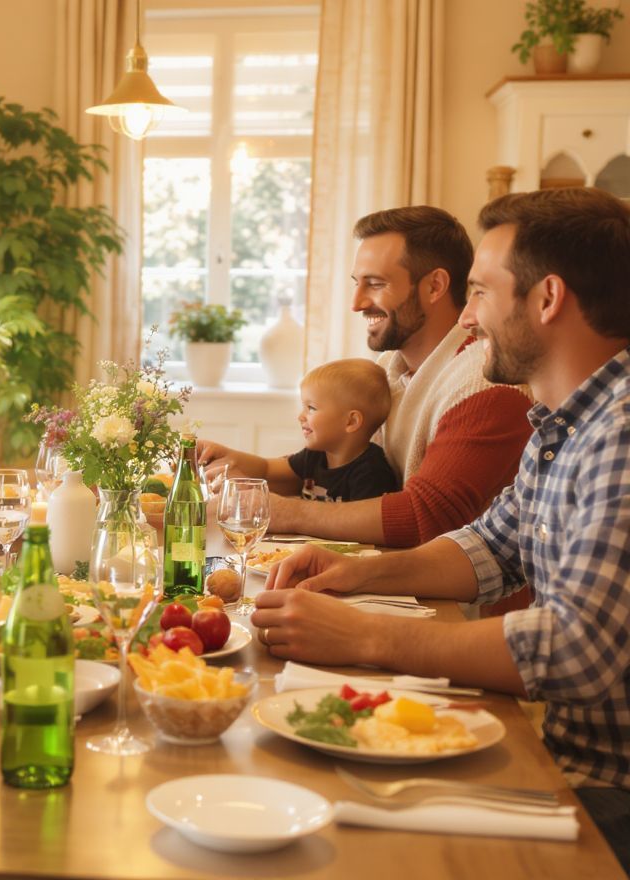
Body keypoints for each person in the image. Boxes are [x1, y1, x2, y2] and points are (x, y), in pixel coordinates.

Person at [252, 188, 630, 871]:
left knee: (329, 837)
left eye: (480, 292)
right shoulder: (566, 423)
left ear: (546, 299)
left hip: (604, 791)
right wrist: (357, 571)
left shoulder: (620, 435)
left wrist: (367, 634)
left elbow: (578, 649)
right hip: (560, 756)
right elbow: (490, 544)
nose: (468, 316)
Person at [201, 206, 533, 547]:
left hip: (452, 600)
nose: (357, 303)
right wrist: (247, 469)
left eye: (375, 284)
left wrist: (286, 512)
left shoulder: (486, 384)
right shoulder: (392, 365)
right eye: (356, 284)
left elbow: (424, 517)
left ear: (435, 286)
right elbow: (337, 477)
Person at [206, 358, 397, 503]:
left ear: (351, 421)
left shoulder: (371, 472)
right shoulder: (315, 456)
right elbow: (266, 468)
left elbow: (360, 527)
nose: (301, 416)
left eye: (311, 408)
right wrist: (226, 457)